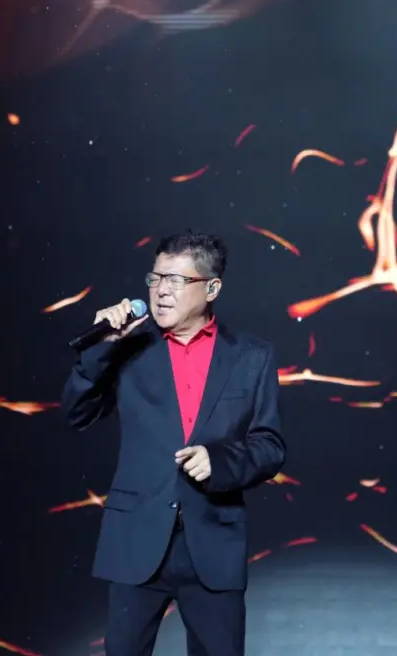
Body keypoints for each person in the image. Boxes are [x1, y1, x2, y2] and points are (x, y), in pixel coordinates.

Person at [61, 230, 286, 656]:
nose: (162, 291)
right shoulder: (128, 347)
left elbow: (270, 446)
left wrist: (220, 461)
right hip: (136, 542)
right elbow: (76, 415)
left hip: (212, 545)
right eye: (156, 278)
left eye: (177, 280)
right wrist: (103, 347)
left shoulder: (252, 356)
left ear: (212, 289)